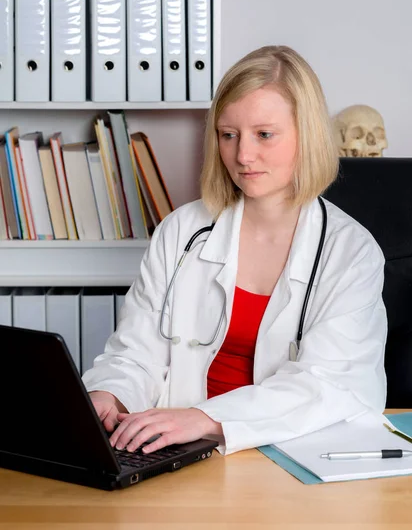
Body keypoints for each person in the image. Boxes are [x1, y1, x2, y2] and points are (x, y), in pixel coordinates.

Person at [82, 45, 387, 456]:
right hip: (178, 452)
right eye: (229, 135)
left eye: (264, 134)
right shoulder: (182, 231)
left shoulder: (351, 253)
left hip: (290, 456)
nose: (242, 155)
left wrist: (205, 419)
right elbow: (135, 352)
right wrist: (108, 396)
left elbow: (329, 384)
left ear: (308, 134)